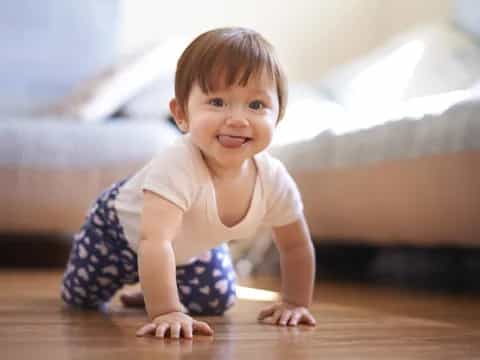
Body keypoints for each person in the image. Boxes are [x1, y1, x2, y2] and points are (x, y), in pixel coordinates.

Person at [61, 27, 316, 339]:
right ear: (182, 114)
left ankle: (152, 288)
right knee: (81, 298)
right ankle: (157, 291)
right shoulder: (177, 164)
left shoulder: (273, 178)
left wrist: (294, 303)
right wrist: (167, 311)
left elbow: (295, 246)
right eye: (218, 102)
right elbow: (154, 241)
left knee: (217, 299)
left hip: (188, 247)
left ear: (277, 116)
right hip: (117, 233)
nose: (237, 119)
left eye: (256, 105)